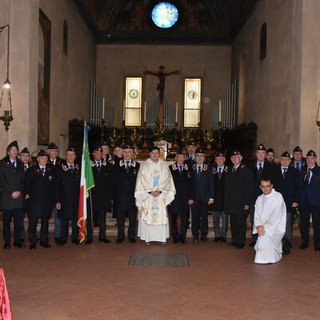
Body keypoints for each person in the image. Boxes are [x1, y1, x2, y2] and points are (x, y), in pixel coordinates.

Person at [135, 146, 175, 245]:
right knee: (147, 215)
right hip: (148, 195)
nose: (155, 155)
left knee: (160, 216)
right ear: (149, 154)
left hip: (160, 195)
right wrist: (150, 191)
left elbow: (167, 180)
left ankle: (161, 238)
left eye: (157, 153)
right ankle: (147, 238)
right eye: (153, 153)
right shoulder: (144, 165)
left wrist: (160, 191)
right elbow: (141, 180)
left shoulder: (164, 165)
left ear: (159, 154)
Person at [248, 143, 281, 247]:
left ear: (265, 154)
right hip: (253, 198)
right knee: (255, 218)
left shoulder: (273, 167)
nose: (261, 155)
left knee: (267, 219)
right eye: (259, 153)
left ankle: (266, 238)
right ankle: (254, 239)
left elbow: (277, 183)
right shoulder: (249, 166)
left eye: (263, 153)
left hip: (267, 199)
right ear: (256, 154)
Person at [24, 150, 56, 249]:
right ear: (37, 159)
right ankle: (33, 241)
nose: (44, 160)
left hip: (46, 202)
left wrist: (53, 200)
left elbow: (53, 187)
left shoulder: (50, 170)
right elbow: (27, 185)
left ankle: (43, 240)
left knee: (45, 223)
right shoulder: (31, 170)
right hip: (34, 202)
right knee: (32, 224)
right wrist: (27, 194)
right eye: (42, 158)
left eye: (46, 158)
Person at [253, 177, 286, 264]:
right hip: (262, 227)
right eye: (263, 186)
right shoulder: (259, 198)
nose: (265, 188)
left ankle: (273, 257)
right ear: (260, 187)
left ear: (272, 186)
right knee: (263, 236)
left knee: (264, 236)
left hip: (275, 227)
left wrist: (264, 229)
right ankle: (263, 258)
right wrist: (259, 226)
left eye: (267, 186)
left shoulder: (278, 197)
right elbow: (256, 214)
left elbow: (276, 215)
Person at [225, 150, 252, 249]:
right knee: (233, 223)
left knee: (241, 223)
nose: (234, 159)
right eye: (233, 157)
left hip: (241, 202)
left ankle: (240, 242)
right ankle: (234, 240)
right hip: (232, 202)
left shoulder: (246, 171)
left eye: (237, 157)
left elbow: (248, 188)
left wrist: (247, 203)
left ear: (241, 158)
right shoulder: (230, 170)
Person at [0, 141, 25, 249]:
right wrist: (12, 192)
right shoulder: (2, 163)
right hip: (7, 197)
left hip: (18, 198)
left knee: (18, 221)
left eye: (16, 150)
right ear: (8, 152)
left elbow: (23, 180)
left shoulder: (20, 163)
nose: (15, 152)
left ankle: (17, 240)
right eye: (13, 150)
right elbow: (2, 181)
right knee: (6, 222)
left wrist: (19, 191)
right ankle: (7, 241)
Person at [86, 146, 113, 244]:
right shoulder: (88, 166)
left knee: (102, 218)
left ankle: (102, 236)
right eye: (95, 153)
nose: (98, 155)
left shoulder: (108, 165)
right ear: (93, 154)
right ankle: (89, 237)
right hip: (91, 196)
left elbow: (111, 181)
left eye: (99, 153)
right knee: (90, 218)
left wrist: (109, 196)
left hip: (103, 196)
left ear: (102, 154)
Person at [114, 145, 140, 244]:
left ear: (132, 153)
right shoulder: (117, 165)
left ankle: (131, 236)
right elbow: (114, 181)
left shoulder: (137, 166)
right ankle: (120, 236)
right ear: (122, 153)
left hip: (133, 197)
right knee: (120, 218)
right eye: (125, 152)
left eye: (129, 152)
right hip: (120, 196)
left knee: (132, 218)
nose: (127, 154)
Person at [276, 151, 301, 255]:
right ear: (280, 160)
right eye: (283, 159)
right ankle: (278, 241)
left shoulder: (294, 172)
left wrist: (296, 200)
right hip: (276, 203)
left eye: (287, 160)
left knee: (287, 223)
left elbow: (298, 187)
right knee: (277, 223)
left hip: (289, 202)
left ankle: (286, 242)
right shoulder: (275, 171)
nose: (285, 161)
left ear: (290, 161)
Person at [55, 147, 80, 246]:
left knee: (75, 220)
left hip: (76, 199)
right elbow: (57, 186)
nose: (70, 157)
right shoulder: (60, 168)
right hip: (64, 199)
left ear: (75, 156)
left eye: (72, 154)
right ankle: (63, 238)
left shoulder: (79, 167)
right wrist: (57, 200)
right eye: (68, 155)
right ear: (65, 156)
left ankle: (75, 238)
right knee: (64, 220)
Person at [169, 149, 193, 244]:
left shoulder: (189, 169)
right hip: (174, 197)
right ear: (175, 158)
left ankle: (183, 237)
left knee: (184, 219)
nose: (180, 159)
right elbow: (166, 183)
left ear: (185, 158)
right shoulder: (170, 168)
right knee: (173, 218)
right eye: (178, 157)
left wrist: (191, 197)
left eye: (182, 157)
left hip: (185, 198)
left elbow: (192, 184)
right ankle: (175, 237)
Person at [190, 148, 214, 242]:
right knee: (194, 217)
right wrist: (190, 197)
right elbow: (190, 184)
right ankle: (195, 235)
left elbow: (211, 183)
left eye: (201, 156)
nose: (199, 158)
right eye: (198, 156)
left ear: (204, 158)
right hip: (194, 197)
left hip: (205, 197)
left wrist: (211, 197)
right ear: (195, 158)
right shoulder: (192, 168)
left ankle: (204, 235)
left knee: (204, 217)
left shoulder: (209, 168)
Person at [299, 150, 320, 251]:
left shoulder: (319, 171)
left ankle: (318, 244)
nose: (309, 160)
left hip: (316, 202)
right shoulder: (302, 171)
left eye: (311, 158)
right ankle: (305, 242)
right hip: (304, 202)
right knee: (304, 223)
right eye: (307, 158)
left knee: (317, 224)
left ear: (315, 159)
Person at [47, 142, 63, 244]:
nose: (54, 152)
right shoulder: (44, 161)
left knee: (58, 217)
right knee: (46, 217)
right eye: (52, 151)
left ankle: (57, 235)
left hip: (59, 194)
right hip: (47, 195)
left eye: (56, 151)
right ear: (48, 152)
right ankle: (45, 235)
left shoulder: (62, 162)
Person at [212, 150, 229, 243]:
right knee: (215, 219)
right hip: (214, 199)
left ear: (224, 159)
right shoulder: (212, 170)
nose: (219, 160)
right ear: (215, 160)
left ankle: (223, 235)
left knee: (225, 219)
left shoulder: (229, 170)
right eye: (217, 158)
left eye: (221, 158)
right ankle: (217, 235)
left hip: (225, 199)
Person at [19, 147, 32, 243]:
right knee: (20, 218)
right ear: (20, 157)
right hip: (20, 198)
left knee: (32, 218)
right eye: (23, 156)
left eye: (27, 156)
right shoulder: (17, 168)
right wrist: (24, 193)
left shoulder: (33, 168)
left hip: (31, 198)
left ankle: (31, 235)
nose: (25, 158)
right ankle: (21, 236)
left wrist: (29, 193)